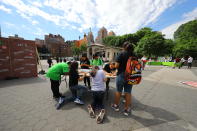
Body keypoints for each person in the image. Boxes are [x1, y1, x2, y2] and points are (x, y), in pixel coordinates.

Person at [111, 42, 134, 116]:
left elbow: (117, 66)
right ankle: (126, 110)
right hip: (131, 75)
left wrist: (114, 65)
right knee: (128, 92)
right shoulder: (134, 55)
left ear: (124, 47)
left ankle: (116, 106)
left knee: (118, 91)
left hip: (121, 74)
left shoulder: (121, 54)